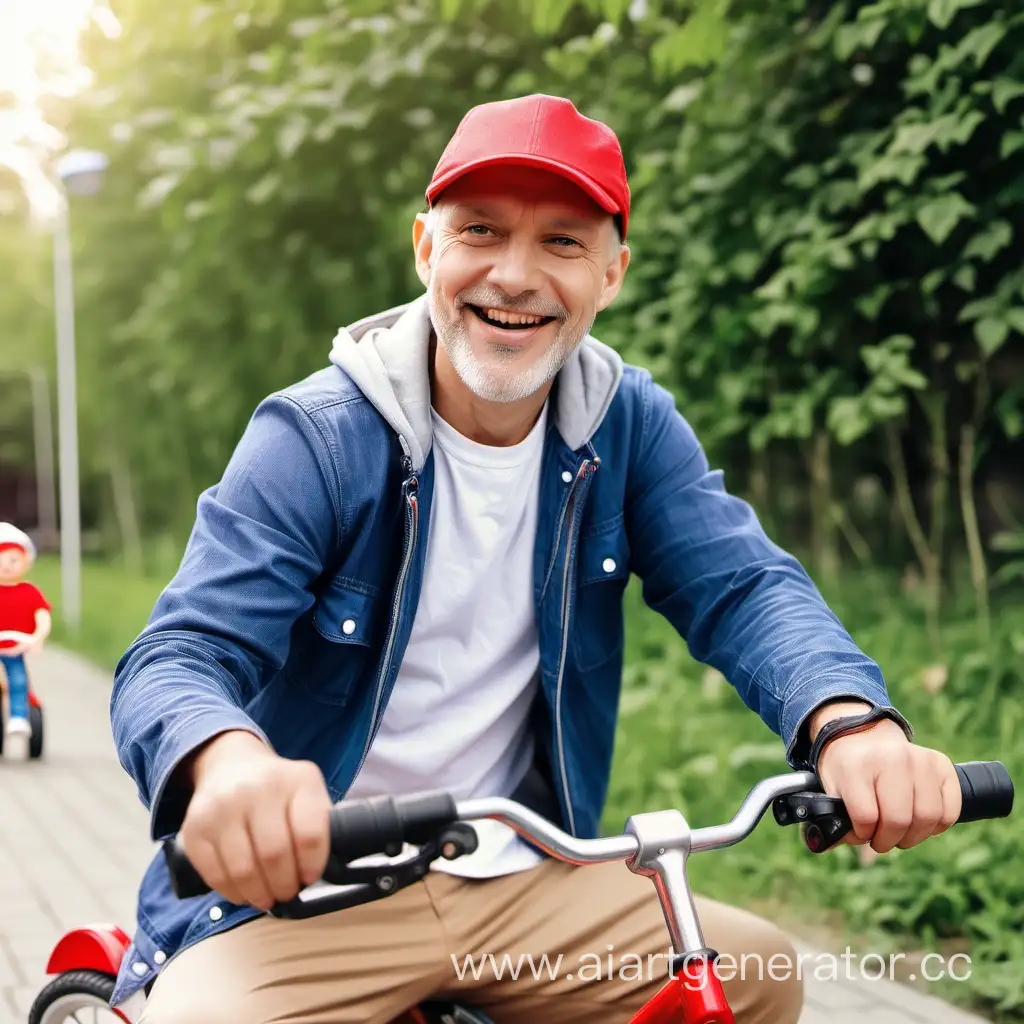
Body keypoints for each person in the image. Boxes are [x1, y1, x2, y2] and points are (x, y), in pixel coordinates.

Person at [109, 95, 963, 1024]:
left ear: (612, 275)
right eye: (480, 231)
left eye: (562, 242)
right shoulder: (316, 438)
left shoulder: (628, 427)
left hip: (520, 880)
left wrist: (849, 721)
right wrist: (229, 765)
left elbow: (744, 587)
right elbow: (180, 654)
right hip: (308, 896)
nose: (514, 276)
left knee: (754, 974)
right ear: (426, 250)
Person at [0, 522, 51, 761]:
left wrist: (37, 637)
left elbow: (42, 618)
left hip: (13, 648)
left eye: (12, 560)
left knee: (18, 678)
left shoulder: (30, 592)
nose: (6, 566)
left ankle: (19, 717)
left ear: (25, 562)